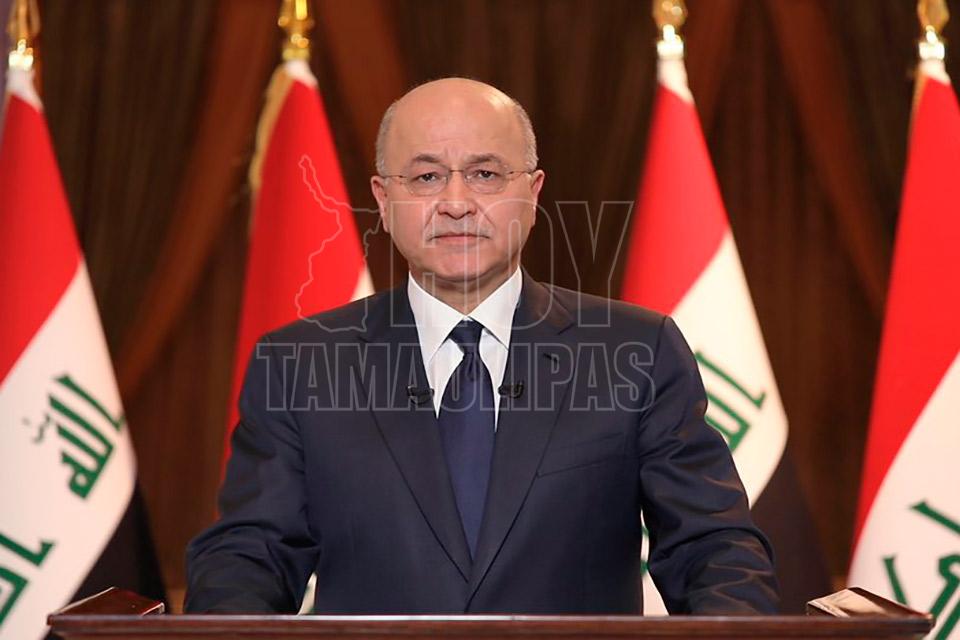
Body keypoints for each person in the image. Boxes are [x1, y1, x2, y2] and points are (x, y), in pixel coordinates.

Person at [184, 78, 779, 615]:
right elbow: (248, 558)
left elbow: (713, 550)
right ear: (384, 201)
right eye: (425, 177)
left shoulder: (638, 352)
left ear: (534, 193)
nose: (456, 202)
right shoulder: (298, 364)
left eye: (486, 174)